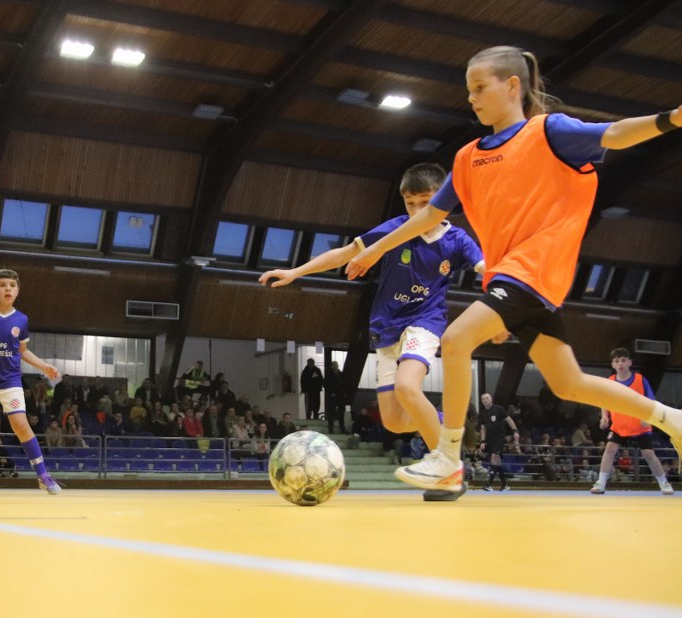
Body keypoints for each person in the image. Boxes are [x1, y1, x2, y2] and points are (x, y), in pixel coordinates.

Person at [343, 46, 682, 492]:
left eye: (480, 87)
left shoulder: (549, 132)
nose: (472, 98)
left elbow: (614, 134)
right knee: (569, 383)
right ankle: (672, 418)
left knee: (456, 339)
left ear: (512, 86)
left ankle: (448, 457)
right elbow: (426, 219)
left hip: (535, 268)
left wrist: (672, 118)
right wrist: (374, 250)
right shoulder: (467, 157)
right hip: (514, 277)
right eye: (469, 90)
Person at [261, 162, 483, 501]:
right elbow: (346, 253)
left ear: (442, 201)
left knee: (408, 386)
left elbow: (484, 266)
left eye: (425, 203)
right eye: (410, 203)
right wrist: (296, 272)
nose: (417, 211)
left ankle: (448, 471)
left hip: (425, 321)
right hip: (386, 327)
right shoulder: (395, 230)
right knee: (394, 421)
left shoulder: (456, 239)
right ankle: (446, 422)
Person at [0, 269, 62, 494]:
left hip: (10, 382)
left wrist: (43, 366)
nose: (8, 288)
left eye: (12, 285)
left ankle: (43, 476)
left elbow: (22, 350)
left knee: (21, 425)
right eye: (3, 285)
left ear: (17, 291)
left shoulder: (21, 319)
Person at [591, 348, 673, 495]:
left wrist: (648, 418)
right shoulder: (610, 382)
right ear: (613, 365)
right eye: (617, 361)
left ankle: (664, 483)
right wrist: (604, 416)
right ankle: (600, 483)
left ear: (629, 362)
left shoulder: (641, 380)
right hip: (619, 425)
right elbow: (604, 400)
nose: (620, 363)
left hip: (639, 425)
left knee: (648, 454)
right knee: (609, 449)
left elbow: (651, 401)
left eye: (623, 360)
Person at [479, 393, 517, 491]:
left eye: (487, 398)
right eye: (483, 399)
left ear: (491, 399)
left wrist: (515, 431)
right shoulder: (483, 413)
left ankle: (489, 484)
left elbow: (509, 420)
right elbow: (483, 428)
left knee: (494, 456)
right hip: (489, 439)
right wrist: (482, 441)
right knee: (497, 462)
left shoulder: (499, 409)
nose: (485, 400)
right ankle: (505, 484)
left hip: (499, 437)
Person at [323, 360, 345, 434]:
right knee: (331, 413)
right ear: (332, 366)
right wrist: (331, 393)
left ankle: (342, 428)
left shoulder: (341, 374)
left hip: (340, 396)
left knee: (341, 413)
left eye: (336, 364)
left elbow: (344, 384)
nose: (335, 366)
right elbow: (326, 385)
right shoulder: (328, 375)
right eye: (334, 365)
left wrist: (343, 393)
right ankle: (331, 429)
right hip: (332, 397)